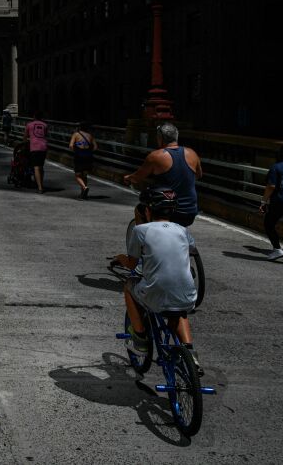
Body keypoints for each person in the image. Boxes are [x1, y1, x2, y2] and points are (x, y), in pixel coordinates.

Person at [111, 187, 202, 374]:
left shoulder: (141, 230)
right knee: (179, 312)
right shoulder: (182, 230)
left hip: (156, 292)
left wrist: (120, 257)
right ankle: (190, 353)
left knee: (129, 287)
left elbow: (132, 263)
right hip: (187, 295)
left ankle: (141, 339)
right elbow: (191, 250)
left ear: (147, 210)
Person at [124, 122, 202, 227]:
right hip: (189, 212)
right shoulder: (192, 153)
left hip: (167, 212)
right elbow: (198, 175)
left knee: (140, 209)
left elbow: (137, 178)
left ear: (160, 138)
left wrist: (129, 178)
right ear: (176, 137)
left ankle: (141, 240)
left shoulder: (156, 156)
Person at [68, 122, 98, 199]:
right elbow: (95, 147)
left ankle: (84, 188)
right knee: (84, 175)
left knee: (78, 175)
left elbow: (71, 145)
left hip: (79, 156)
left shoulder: (76, 134)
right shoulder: (90, 135)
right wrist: (88, 151)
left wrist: (76, 150)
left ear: (79, 127)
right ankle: (83, 194)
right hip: (88, 156)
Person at [24, 112, 49, 193]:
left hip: (34, 147)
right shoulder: (45, 125)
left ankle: (40, 188)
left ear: (33, 117)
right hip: (44, 147)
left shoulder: (29, 124)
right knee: (41, 167)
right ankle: (41, 184)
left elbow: (25, 137)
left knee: (36, 167)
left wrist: (27, 142)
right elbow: (45, 135)